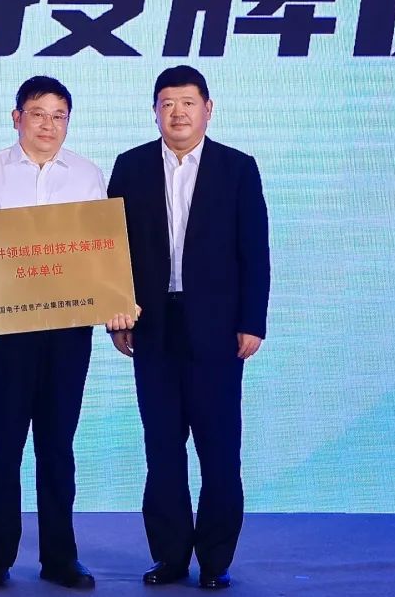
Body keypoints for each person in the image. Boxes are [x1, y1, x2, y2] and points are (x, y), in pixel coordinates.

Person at [0, 76, 105, 591]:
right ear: (17, 118)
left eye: (59, 116)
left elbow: (101, 250)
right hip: (4, 327)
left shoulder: (87, 175)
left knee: (58, 446)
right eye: (37, 113)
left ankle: (61, 559)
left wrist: (116, 301)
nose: (48, 125)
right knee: (3, 445)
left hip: (67, 327)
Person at [106, 66, 270, 590]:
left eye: (188, 103)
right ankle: (170, 556)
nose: (177, 113)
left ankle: (216, 560)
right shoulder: (130, 166)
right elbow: (110, 248)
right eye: (167, 104)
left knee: (219, 450)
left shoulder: (237, 168)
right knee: (162, 450)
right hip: (152, 326)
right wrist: (115, 313)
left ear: (208, 109)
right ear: (155, 111)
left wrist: (253, 321)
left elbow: (255, 250)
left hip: (218, 330)